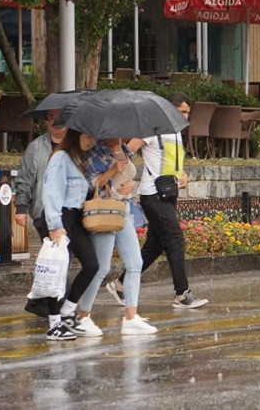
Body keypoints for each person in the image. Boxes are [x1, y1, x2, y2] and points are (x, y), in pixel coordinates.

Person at [106, 91, 208, 309]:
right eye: (182, 112)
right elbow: (126, 151)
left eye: (188, 113)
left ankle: (120, 284)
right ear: (170, 110)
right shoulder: (152, 130)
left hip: (169, 193)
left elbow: (170, 161)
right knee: (175, 239)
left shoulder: (177, 132)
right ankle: (182, 294)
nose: (186, 117)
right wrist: (123, 177)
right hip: (152, 195)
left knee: (154, 246)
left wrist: (182, 174)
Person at [74, 138, 157, 336]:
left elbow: (127, 176)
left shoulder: (124, 149)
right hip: (104, 210)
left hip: (122, 208)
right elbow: (92, 184)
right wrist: (112, 169)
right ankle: (82, 316)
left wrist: (129, 186)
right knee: (101, 267)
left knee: (135, 262)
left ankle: (131, 317)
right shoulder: (94, 151)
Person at [41, 129, 100, 340]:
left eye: (93, 137)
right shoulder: (60, 158)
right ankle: (54, 324)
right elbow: (51, 192)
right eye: (88, 136)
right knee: (58, 271)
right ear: (76, 135)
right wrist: (55, 225)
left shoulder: (80, 159)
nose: (91, 141)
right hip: (61, 217)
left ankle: (67, 311)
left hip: (76, 218)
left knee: (92, 265)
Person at [15, 109, 67, 318]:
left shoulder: (76, 144)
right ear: (47, 123)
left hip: (70, 210)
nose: (55, 122)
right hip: (44, 210)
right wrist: (21, 208)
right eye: (51, 118)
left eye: (60, 118)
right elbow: (25, 179)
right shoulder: (36, 148)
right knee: (57, 258)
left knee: (62, 258)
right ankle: (60, 307)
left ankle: (45, 303)